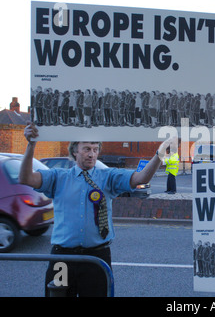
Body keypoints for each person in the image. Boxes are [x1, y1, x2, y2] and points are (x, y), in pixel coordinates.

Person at [19, 122, 176, 297]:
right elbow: (26, 178)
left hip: (96, 258)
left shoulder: (108, 176)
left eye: (95, 149)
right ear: (74, 151)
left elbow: (141, 177)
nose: (91, 154)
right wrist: (31, 144)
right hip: (63, 258)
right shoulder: (58, 177)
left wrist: (160, 153)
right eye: (86, 149)